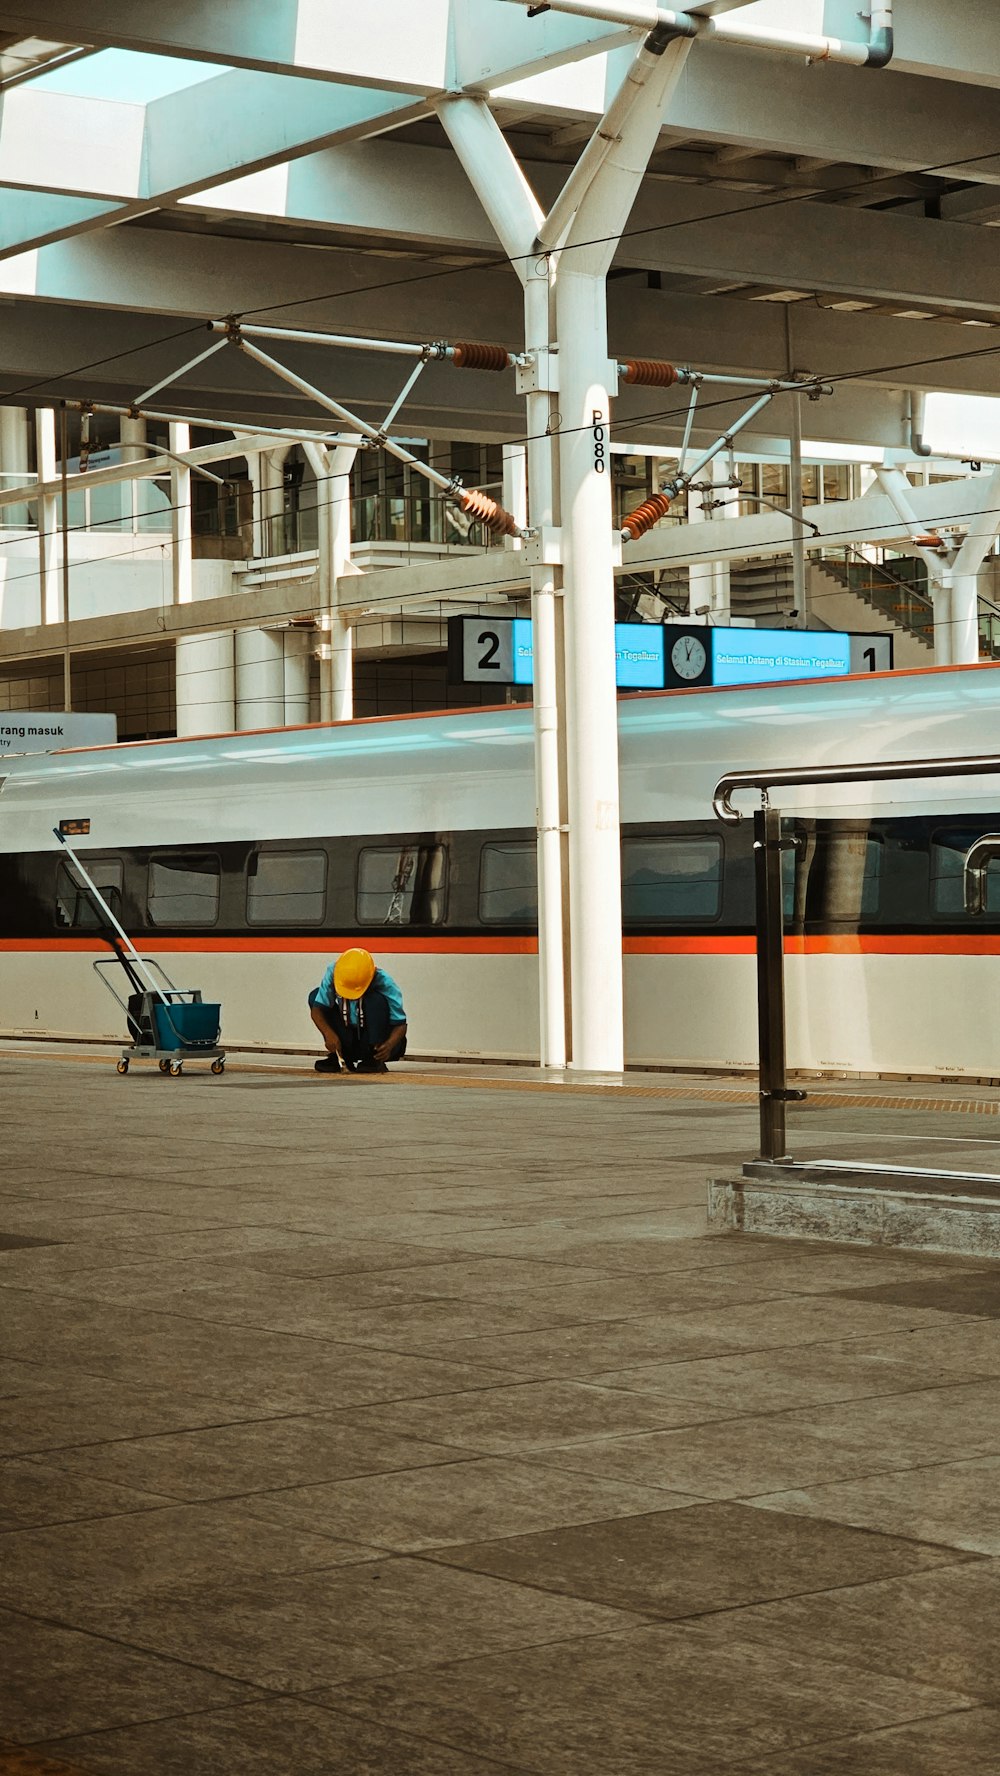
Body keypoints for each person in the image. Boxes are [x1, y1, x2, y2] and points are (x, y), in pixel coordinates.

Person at [308, 948, 407, 1074]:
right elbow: (317, 1010)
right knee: (315, 996)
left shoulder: (385, 982)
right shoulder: (333, 971)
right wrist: (329, 1034)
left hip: (376, 1040)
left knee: (375, 1000)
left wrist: (389, 1045)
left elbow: (400, 1024)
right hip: (348, 1035)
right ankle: (341, 1056)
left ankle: (372, 1058)